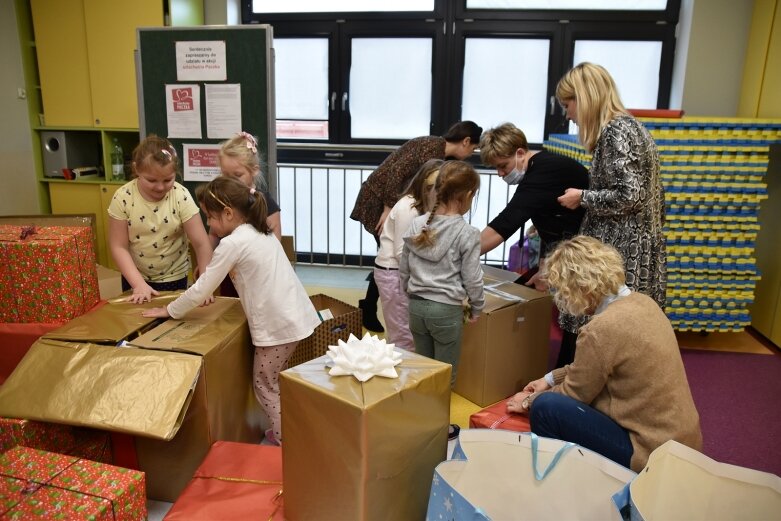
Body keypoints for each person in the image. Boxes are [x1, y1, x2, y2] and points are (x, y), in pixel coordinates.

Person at [142, 176, 320, 446]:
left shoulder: (233, 243)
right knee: (274, 382)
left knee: (264, 385)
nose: (208, 225)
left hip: (279, 325)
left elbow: (202, 289)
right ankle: (286, 429)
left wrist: (170, 310)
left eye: (210, 218)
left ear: (228, 213)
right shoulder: (258, 230)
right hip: (294, 317)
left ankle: (289, 444)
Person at [505, 236, 701, 472]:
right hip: (682, 443)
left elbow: (574, 395)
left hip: (647, 451)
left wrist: (528, 402)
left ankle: (554, 478)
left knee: (546, 408)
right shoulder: (644, 302)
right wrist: (548, 380)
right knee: (553, 396)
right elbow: (592, 366)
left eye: (565, 293)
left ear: (582, 287)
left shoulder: (601, 329)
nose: (564, 301)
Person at [350, 121, 483, 332]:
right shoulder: (429, 146)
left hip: (396, 202)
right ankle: (370, 306)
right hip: (380, 199)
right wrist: (387, 207)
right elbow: (395, 173)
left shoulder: (442, 157)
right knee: (392, 252)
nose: (470, 154)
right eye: (474, 149)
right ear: (466, 141)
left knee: (393, 251)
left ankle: (369, 304)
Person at [556, 62, 667, 310]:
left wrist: (582, 197)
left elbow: (631, 195)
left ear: (584, 99)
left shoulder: (615, 131)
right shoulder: (631, 127)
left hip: (623, 254)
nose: (568, 115)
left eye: (567, 105)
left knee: (613, 328)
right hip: (635, 249)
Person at [478, 123, 589, 367]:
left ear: (520, 153)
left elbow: (506, 222)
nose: (499, 174)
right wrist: (545, 266)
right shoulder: (537, 171)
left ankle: (568, 375)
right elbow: (549, 227)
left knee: (576, 317)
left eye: (502, 166)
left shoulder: (543, 172)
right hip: (567, 245)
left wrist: (461, 251)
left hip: (586, 251)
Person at [400, 160, 485, 440]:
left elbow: (404, 266)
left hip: (416, 307)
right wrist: (477, 307)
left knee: (423, 368)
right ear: (466, 196)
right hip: (445, 311)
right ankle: (438, 427)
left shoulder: (416, 224)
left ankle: (418, 420)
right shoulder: (467, 233)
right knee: (444, 373)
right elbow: (472, 277)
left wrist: (407, 292)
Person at [108, 134, 212, 304]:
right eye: (151, 180)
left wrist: (205, 285)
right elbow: (118, 246)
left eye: (167, 180)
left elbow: (201, 243)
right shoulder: (123, 198)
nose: (160, 187)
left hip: (174, 278)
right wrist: (138, 284)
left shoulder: (180, 196)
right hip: (134, 277)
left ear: (175, 173)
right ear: (137, 170)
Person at [374, 159, 442, 351]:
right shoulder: (408, 207)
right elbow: (401, 252)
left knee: (410, 331)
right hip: (393, 273)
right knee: (403, 334)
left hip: (405, 272)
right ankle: (401, 377)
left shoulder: (426, 207)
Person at [216, 131, 282, 298]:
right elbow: (213, 234)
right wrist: (208, 263)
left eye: (237, 175)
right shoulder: (220, 201)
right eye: (225, 175)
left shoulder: (265, 202)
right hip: (230, 275)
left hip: (258, 276)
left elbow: (275, 245)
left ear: (254, 171)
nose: (230, 181)